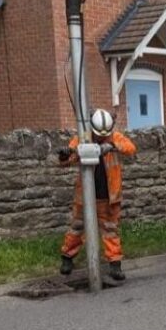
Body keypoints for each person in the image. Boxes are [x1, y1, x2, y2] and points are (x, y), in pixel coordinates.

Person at [58, 109, 136, 280]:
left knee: (110, 231)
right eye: (98, 135)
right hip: (85, 196)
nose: (101, 138)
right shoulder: (82, 139)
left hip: (109, 196)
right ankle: (67, 259)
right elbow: (66, 160)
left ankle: (115, 265)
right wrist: (65, 154)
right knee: (77, 228)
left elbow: (131, 148)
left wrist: (113, 146)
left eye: (104, 135)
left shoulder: (115, 138)